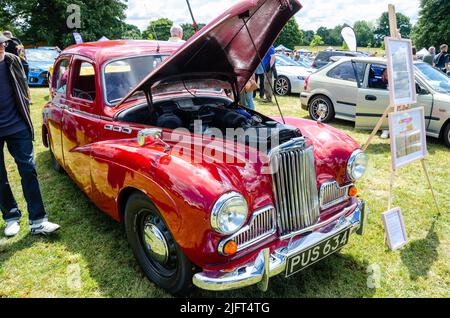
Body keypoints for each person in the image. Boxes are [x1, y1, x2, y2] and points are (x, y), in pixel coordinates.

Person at [0, 34, 60, 237]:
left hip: (17, 126)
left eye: (2, 44)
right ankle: (11, 217)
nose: (1, 47)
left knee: (28, 169)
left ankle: (38, 221)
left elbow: (22, 86)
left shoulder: (12, 60)